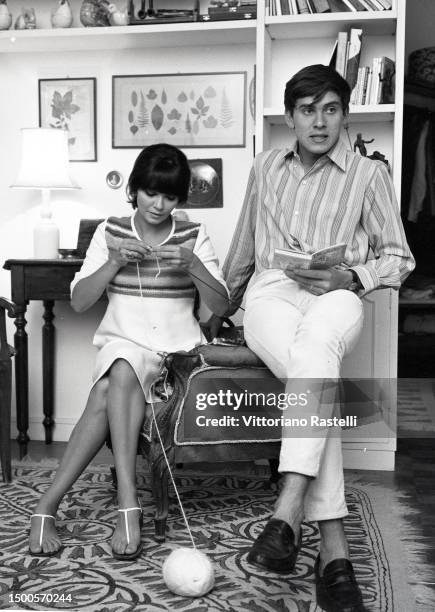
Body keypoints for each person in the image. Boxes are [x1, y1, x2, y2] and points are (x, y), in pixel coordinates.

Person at [207, 64, 415, 611]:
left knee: (315, 350)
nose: (319, 121)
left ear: (345, 115)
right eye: (307, 110)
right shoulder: (265, 168)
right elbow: (242, 253)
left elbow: (400, 256)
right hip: (271, 294)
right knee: (314, 365)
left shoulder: (369, 175)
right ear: (290, 116)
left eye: (330, 109)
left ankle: (287, 509)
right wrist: (218, 310)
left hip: (336, 293)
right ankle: (333, 551)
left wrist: (353, 277)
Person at [28, 143, 230, 560]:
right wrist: (113, 262)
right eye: (150, 192)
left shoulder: (193, 237)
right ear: (134, 188)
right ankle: (128, 501)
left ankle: (46, 506)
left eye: (170, 196)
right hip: (121, 345)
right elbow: (81, 301)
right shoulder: (110, 232)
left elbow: (223, 306)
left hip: (177, 355)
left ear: (180, 199)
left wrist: (194, 266)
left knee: (107, 390)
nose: (158, 205)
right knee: (123, 364)